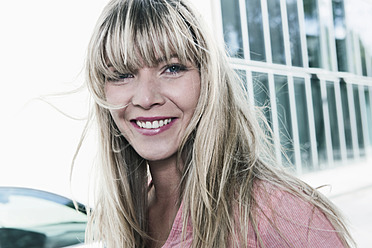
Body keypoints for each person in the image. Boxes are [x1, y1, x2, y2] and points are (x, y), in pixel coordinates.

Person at [80, 0, 355, 247]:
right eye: (122, 74)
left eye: (172, 68)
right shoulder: (122, 217)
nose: (146, 98)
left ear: (208, 80)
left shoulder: (282, 215)